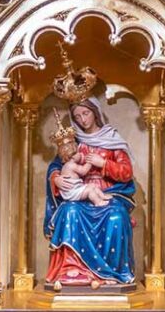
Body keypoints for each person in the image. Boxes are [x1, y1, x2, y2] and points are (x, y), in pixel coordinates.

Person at [44, 96, 136, 288]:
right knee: (69, 212)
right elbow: (56, 165)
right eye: (77, 116)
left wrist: (104, 164)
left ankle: (112, 273)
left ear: (95, 112)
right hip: (79, 195)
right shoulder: (73, 142)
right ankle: (73, 270)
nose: (82, 120)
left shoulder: (111, 139)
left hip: (110, 194)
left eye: (85, 113)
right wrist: (56, 178)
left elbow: (126, 172)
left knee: (116, 216)